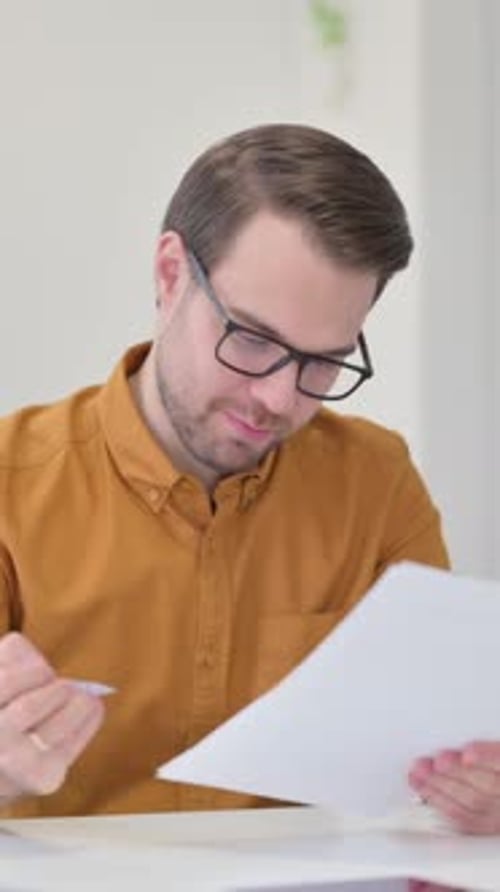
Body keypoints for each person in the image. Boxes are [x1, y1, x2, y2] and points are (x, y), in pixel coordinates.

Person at [0, 124, 498, 834]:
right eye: (254, 341)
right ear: (171, 275)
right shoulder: (10, 487)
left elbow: (429, 761)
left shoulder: (375, 483)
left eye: (323, 361)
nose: (280, 399)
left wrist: (476, 795)